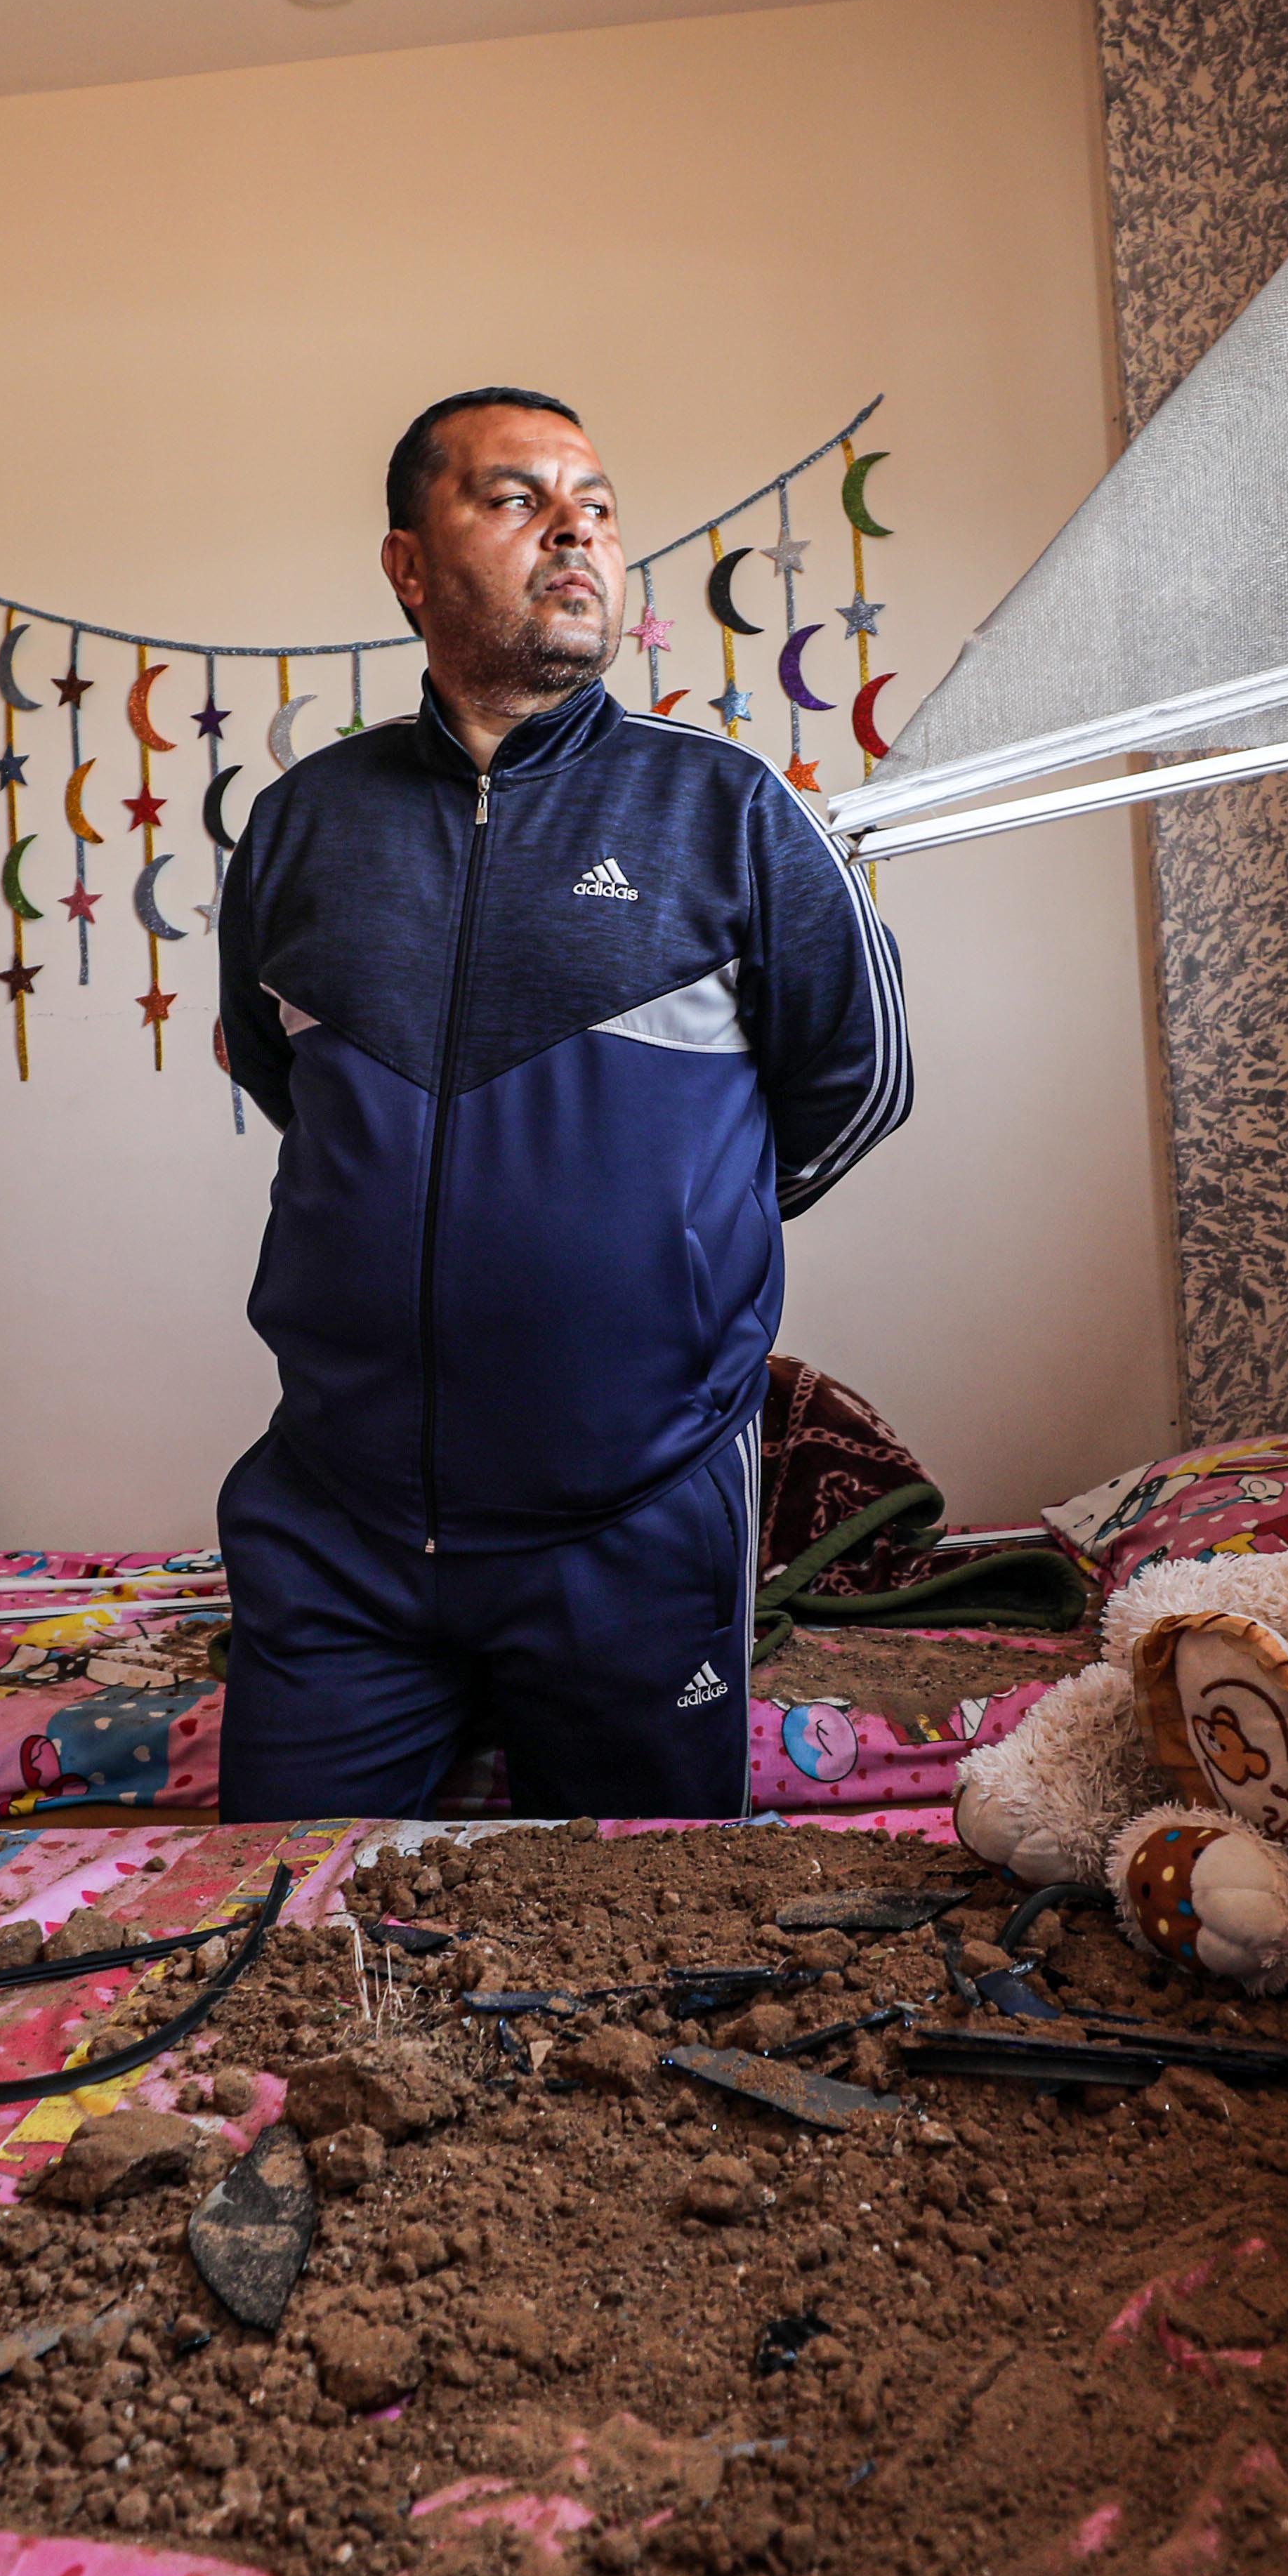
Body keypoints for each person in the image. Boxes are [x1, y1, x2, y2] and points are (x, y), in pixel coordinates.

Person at [210, 388, 909, 1818]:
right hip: (337, 1525)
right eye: (517, 497)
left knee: (643, 1956)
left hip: (635, 1527)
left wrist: (667, 1234)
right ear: (410, 562)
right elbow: (294, 1089)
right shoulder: (301, 826)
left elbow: (861, 1080)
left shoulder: (729, 811)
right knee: (276, 1930)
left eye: (594, 501)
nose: (575, 528)